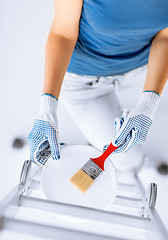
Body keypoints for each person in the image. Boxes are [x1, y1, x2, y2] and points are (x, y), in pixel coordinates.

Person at [28, 0, 168, 167]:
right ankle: (134, 167)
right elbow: (63, 33)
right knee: (127, 160)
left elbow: (165, 35)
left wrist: (148, 103)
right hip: (85, 82)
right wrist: (47, 109)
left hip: (141, 67)